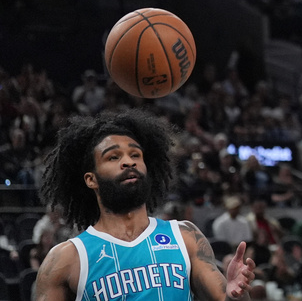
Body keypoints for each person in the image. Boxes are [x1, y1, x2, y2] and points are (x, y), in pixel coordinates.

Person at [33, 109, 256, 301]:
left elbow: (226, 298)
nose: (129, 161)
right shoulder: (65, 259)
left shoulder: (185, 237)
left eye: (135, 154)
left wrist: (238, 293)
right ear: (91, 179)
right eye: (113, 157)